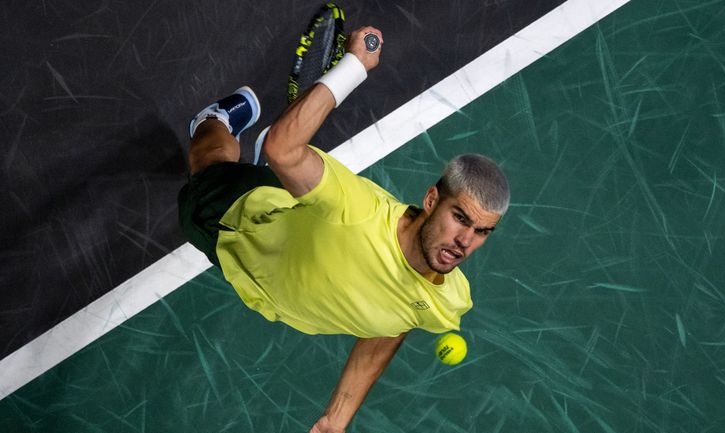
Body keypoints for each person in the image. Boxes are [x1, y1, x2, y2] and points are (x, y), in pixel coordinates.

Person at [178, 26, 510, 433]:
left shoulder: (448, 302)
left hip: (266, 283)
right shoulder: (358, 210)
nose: (465, 241)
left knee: (286, 168)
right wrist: (353, 67)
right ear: (431, 201)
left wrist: (336, 420)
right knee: (208, 163)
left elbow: (390, 328)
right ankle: (215, 121)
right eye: (460, 217)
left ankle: (283, 175)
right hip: (239, 225)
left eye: (481, 232)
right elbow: (286, 147)